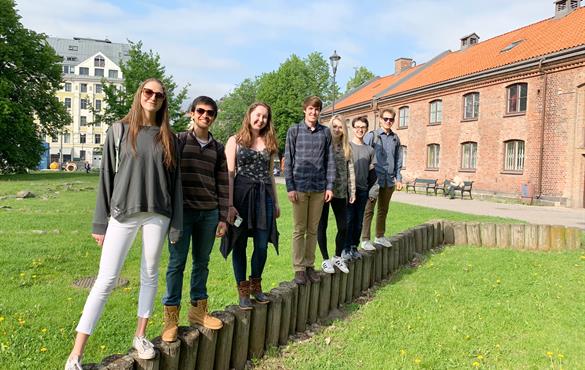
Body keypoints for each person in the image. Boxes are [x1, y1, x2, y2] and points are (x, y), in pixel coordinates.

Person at [65, 78, 183, 370]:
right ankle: (75, 354)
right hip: (122, 213)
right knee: (105, 280)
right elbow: (106, 178)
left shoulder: (169, 137)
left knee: (150, 273)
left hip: (158, 213)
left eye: (159, 94)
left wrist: (176, 223)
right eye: (148, 92)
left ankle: (140, 336)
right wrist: (99, 223)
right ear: (139, 95)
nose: (153, 97)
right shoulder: (118, 131)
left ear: (163, 100)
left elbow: (176, 184)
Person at [161, 96, 228, 342]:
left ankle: (198, 311)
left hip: (209, 213)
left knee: (202, 262)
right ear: (191, 113)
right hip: (182, 214)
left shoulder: (218, 148)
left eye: (210, 113)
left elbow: (223, 182)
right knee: (176, 264)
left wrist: (222, 216)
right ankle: (171, 318)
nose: (205, 115)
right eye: (200, 111)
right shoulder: (178, 141)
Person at [220, 102, 280, 309]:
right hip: (241, 196)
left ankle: (256, 284)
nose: (261, 120)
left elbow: (270, 174)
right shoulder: (234, 141)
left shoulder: (269, 142)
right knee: (240, 243)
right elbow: (229, 173)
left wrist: (277, 202)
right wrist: (228, 204)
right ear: (249, 115)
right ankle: (243, 291)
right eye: (257, 115)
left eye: (264, 116)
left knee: (262, 245)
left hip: (264, 196)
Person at [284, 96, 335, 285]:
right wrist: (290, 186)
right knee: (299, 229)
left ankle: (309, 265)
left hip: (319, 188)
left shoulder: (325, 133)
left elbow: (329, 160)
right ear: (304, 110)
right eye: (310, 109)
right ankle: (299, 268)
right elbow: (288, 160)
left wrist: (329, 186)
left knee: (313, 229)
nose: (313, 112)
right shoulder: (294, 131)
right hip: (299, 187)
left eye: (317, 109)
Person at [317, 114, 355, 274]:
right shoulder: (325, 144)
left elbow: (350, 170)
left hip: (340, 192)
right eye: (335, 126)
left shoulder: (347, 148)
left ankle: (337, 256)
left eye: (340, 127)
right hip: (325, 191)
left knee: (343, 226)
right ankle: (325, 260)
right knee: (322, 225)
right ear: (330, 127)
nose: (338, 129)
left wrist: (352, 191)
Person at [361, 108, 403, 250]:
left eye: (391, 119)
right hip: (374, 180)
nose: (388, 122)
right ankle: (365, 239)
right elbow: (364, 155)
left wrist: (399, 178)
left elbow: (398, 160)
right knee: (368, 210)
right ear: (380, 120)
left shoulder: (395, 138)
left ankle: (379, 236)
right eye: (386, 119)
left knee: (383, 210)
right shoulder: (372, 136)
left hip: (389, 180)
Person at [344, 116, 376, 259]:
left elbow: (373, 174)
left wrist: (371, 191)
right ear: (353, 128)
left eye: (362, 127)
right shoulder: (347, 147)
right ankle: (345, 248)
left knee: (358, 222)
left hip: (363, 191)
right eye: (357, 127)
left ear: (366, 129)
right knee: (349, 220)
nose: (360, 129)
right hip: (349, 191)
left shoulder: (370, 150)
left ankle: (354, 247)